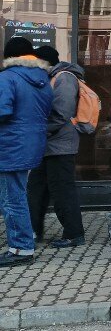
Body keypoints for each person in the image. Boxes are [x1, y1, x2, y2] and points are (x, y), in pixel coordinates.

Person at [0, 37, 53, 267]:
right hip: (30, 143)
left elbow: (2, 111)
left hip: (10, 145)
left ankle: (21, 248)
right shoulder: (42, 79)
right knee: (16, 195)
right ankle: (24, 239)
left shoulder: (7, 78)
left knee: (12, 199)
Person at [27, 45, 86, 247]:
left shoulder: (65, 78)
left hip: (61, 146)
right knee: (36, 189)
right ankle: (32, 231)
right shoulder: (52, 78)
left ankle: (74, 234)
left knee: (62, 190)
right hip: (47, 145)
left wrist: (39, 130)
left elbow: (62, 112)